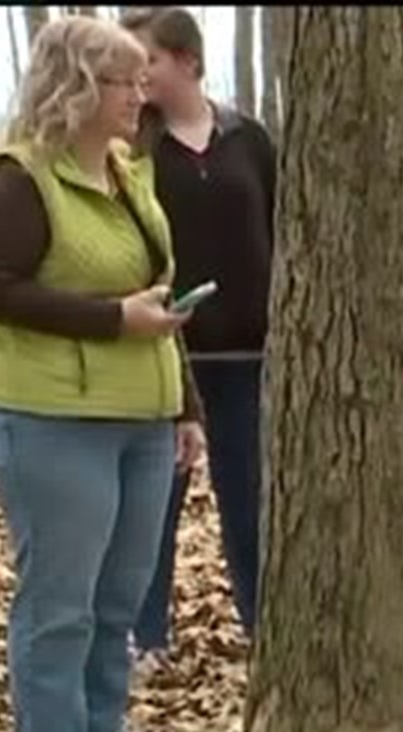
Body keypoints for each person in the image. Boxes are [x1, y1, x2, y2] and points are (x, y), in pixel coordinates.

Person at [0, 15, 205, 732]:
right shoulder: (20, 179)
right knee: (62, 600)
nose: (140, 97)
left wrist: (187, 409)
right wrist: (112, 320)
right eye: (125, 82)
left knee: (120, 598)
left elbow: (160, 297)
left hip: (141, 418)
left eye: (144, 81)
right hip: (51, 421)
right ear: (78, 87)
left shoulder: (126, 174)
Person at [120, 6, 277, 673]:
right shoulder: (134, 147)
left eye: (148, 59)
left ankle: (261, 623)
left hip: (249, 352)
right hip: (170, 353)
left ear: (186, 60)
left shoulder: (249, 139)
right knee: (156, 499)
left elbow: (281, 222)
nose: (139, 74)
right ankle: (145, 633)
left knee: (249, 494)